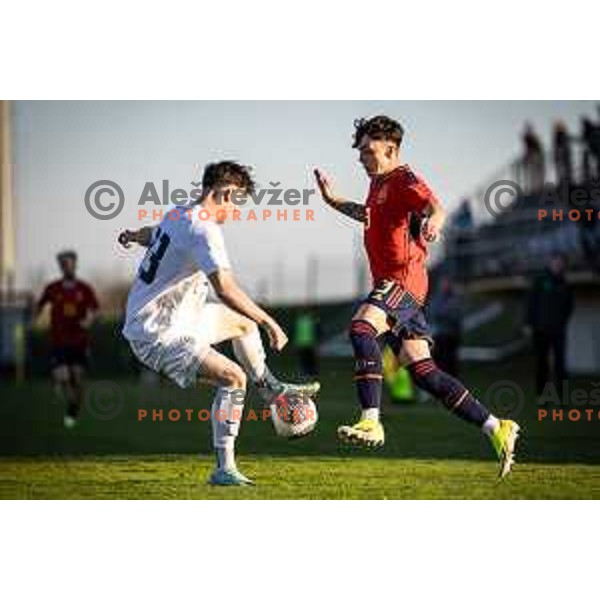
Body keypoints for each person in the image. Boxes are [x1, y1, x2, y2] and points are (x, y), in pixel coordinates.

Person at [314, 115, 520, 478]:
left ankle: (371, 420)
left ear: (390, 149)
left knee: (362, 328)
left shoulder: (404, 179)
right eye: (359, 151)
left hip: (401, 281)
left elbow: (435, 208)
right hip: (405, 288)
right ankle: (495, 426)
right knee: (423, 371)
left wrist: (433, 224)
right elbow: (369, 215)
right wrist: (333, 202)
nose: (361, 157)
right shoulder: (378, 184)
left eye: (368, 150)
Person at [119, 161, 319, 486]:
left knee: (242, 324)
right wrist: (269, 321)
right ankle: (224, 468)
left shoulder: (179, 214)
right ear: (223, 192)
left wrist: (132, 234)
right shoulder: (205, 229)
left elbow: (152, 235)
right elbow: (225, 288)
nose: (235, 211)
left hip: (180, 318)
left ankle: (270, 388)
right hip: (158, 333)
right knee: (233, 378)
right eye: (236, 201)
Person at [35, 250, 99, 428]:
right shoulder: (52, 288)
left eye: (70, 263)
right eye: (64, 263)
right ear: (61, 266)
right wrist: (38, 318)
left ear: (75, 264)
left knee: (78, 380)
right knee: (63, 375)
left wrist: (89, 320)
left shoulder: (84, 289)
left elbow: (95, 310)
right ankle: (60, 384)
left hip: (79, 342)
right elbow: (39, 307)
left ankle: (72, 411)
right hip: (59, 342)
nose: (67, 266)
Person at [526, 254, 574, 399]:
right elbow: (531, 303)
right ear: (550, 263)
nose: (558, 265)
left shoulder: (564, 283)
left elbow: (569, 306)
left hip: (558, 330)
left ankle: (562, 394)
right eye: (555, 262)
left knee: (561, 364)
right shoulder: (540, 280)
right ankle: (542, 393)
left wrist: (561, 322)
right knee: (542, 363)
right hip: (540, 330)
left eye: (560, 263)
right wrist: (529, 323)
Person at [428, 276, 463, 377]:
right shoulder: (438, 297)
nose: (444, 285)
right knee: (439, 360)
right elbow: (433, 311)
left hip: (451, 336)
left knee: (450, 360)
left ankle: (452, 382)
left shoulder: (455, 298)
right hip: (440, 335)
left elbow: (455, 315)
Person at [293, 310, 320, 376]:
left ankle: (305, 372)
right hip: (309, 342)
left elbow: (295, 332)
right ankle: (312, 372)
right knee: (311, 359)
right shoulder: (311, 320)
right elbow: (316, 330)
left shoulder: (299, 321)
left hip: (301, 342)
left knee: (304, 359)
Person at [522, 123, 545, 194]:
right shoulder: (529, 138)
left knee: (536, 174)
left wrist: (527, 157)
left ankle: (538, 188)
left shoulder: (531, 138)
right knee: (533, 174)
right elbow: (528, 149)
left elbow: (532, 149)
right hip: (535, 158)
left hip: (536, 158)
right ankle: (536, 188)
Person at [553, 121, 573, 186]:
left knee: (565, 169)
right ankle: (563, 181)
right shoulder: (559, 138)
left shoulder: (562, 137)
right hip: (561, 155)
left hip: (564, 156)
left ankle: (566, 180)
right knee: (561, 169)